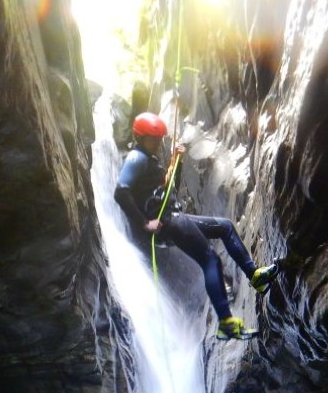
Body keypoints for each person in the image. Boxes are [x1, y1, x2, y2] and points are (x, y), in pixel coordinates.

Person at [114, 111, 278, 340]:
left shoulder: (148, 161)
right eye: (154, 138)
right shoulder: (136, 157)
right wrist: (144, 223)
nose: (158, 142)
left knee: (225, 226)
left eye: (159, 138)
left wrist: (177, 163)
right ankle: (226, 323)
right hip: (167, 221)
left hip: (173, 217)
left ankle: (255, 276)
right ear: (141, 137)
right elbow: (121, 192)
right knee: (210, 259)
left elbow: (171, 188)